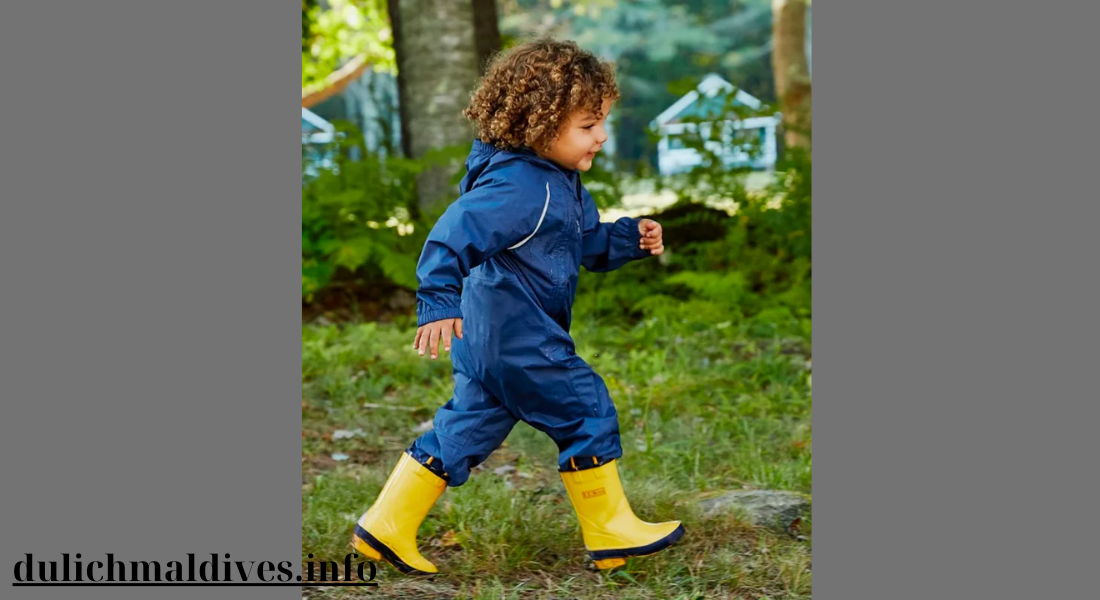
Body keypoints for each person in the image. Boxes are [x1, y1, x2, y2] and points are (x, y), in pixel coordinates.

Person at [352, 37, 683, 575]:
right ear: (538, 124)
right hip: (520, 337)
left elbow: (574, 244)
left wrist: (626, 239)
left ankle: (385, 525)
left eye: (602, 122)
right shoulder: (523, 188)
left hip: (487, 342)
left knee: (466, 428)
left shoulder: (554, 182)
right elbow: (451, 235)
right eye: (587, 125)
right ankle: (609, 529)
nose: (601, 136)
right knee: (585, 407)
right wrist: (437, 298)